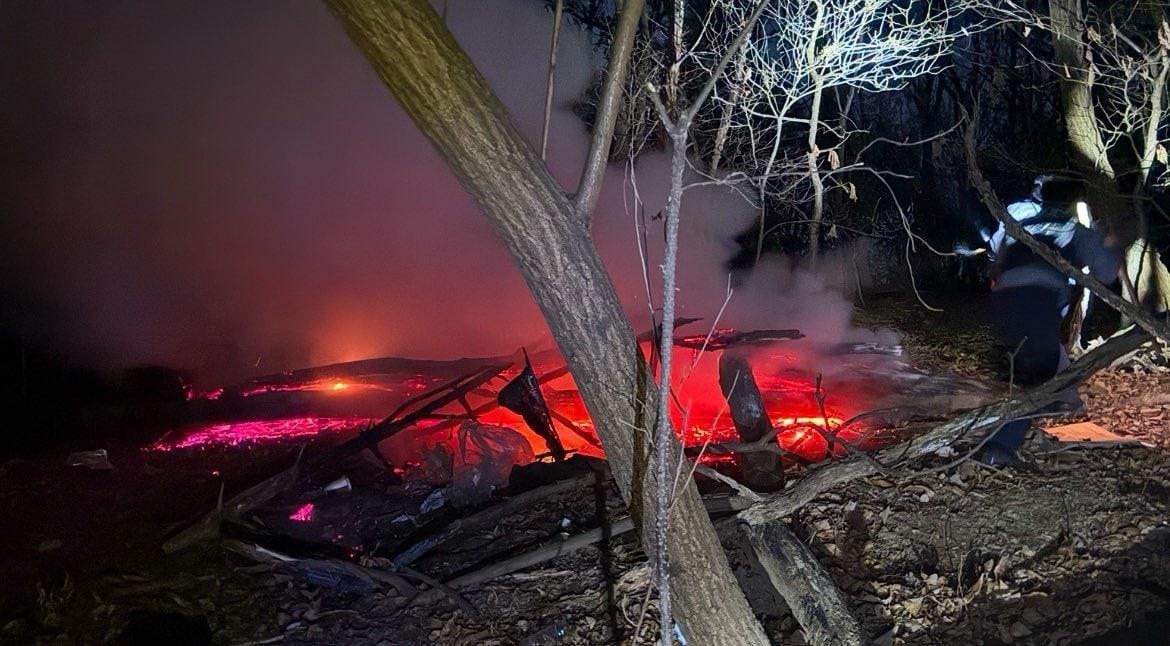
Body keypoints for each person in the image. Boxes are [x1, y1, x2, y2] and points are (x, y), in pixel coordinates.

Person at [980, 175, 1122, 466]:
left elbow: (995, 250)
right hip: (1038, 299)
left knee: (1039, 360)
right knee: (1039, 376)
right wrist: (1112, 239)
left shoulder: (1020, 218)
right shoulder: (1074, 229)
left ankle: (1062, 400)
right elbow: (1107, 271)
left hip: (1003, 298)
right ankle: (998, 448)